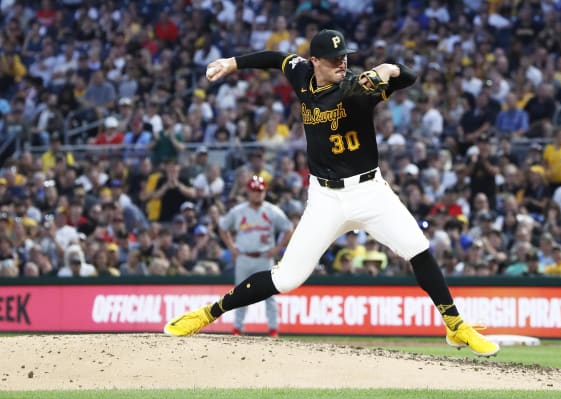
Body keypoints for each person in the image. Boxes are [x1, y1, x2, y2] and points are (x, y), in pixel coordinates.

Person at [164, 29, 500, 356]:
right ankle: (209, 313)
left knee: (418, 248)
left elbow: (407, 77)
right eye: (333, 59)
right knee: (286, 278)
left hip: (368, 190)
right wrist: (232, 63)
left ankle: (455, 325)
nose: (342, 63)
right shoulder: (302, 75)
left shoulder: (356, 88)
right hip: (325, 197)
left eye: (344, 57)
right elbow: (276, 58)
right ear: (315, 62)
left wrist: (389, 69)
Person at [219, 175, 293, 337]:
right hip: (244, 257)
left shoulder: (271, 211)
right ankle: (237, 328)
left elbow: (288, 228)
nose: (257, 194)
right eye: (254, 191)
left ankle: (273, 329)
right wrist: (231, 247)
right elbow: (223, 227)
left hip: (264, 257)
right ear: (248, 191)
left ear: (264, 191)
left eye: (260, 191)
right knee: (238, 294)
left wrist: (278, 248)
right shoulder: (238, 211)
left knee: (269, 294)